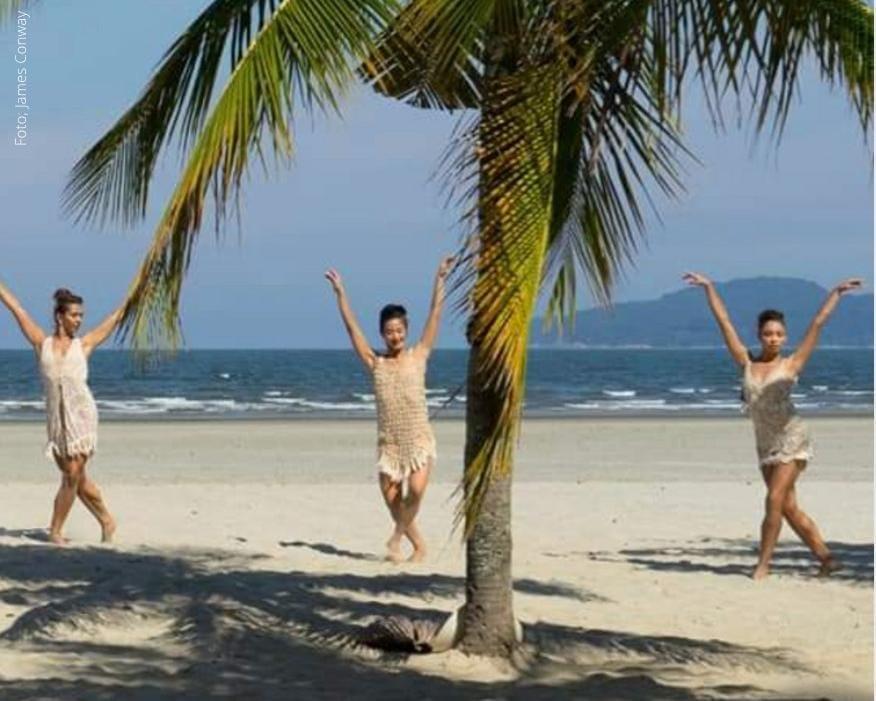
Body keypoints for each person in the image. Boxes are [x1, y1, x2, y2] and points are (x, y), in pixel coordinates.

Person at [683, 272, 862, 579]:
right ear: (759, 335)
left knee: (773, 499)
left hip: (792, 438)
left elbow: (818, 322)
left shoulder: (791, 364)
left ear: (785, 337)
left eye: (779, 334)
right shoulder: (747, 363)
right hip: (765, 443)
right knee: (788, 506)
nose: (774, 338)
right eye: (768, 333)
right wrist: (709, 287)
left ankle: (763, 565)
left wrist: (836, 292)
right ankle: (827, 559)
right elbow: (724, 322)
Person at [325, 256, 455, 562]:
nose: (394, 336)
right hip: (389, 443)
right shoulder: (376, 363)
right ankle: (419, 545)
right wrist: (341, 294)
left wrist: (439, 279)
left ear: (406, 330)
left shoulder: (419, 354)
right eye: (388, 331)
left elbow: (435, 315)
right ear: (382, 333)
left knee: (417, 492)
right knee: (392, 499)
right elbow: (352, 329)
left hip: (418, 439)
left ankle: (396, 538)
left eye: (399, 330)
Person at [0, 282, 124, 544]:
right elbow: (17, 309)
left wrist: (137, 294)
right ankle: (106, 520)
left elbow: (113, 320)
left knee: (71, 474)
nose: (79, 320)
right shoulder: (40, 343)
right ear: (60, 316)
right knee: (76, 478)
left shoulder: (84, 345)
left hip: (81, 417)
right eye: (74, 315)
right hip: (56, 420)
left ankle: (55, 530)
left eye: (81, 315)